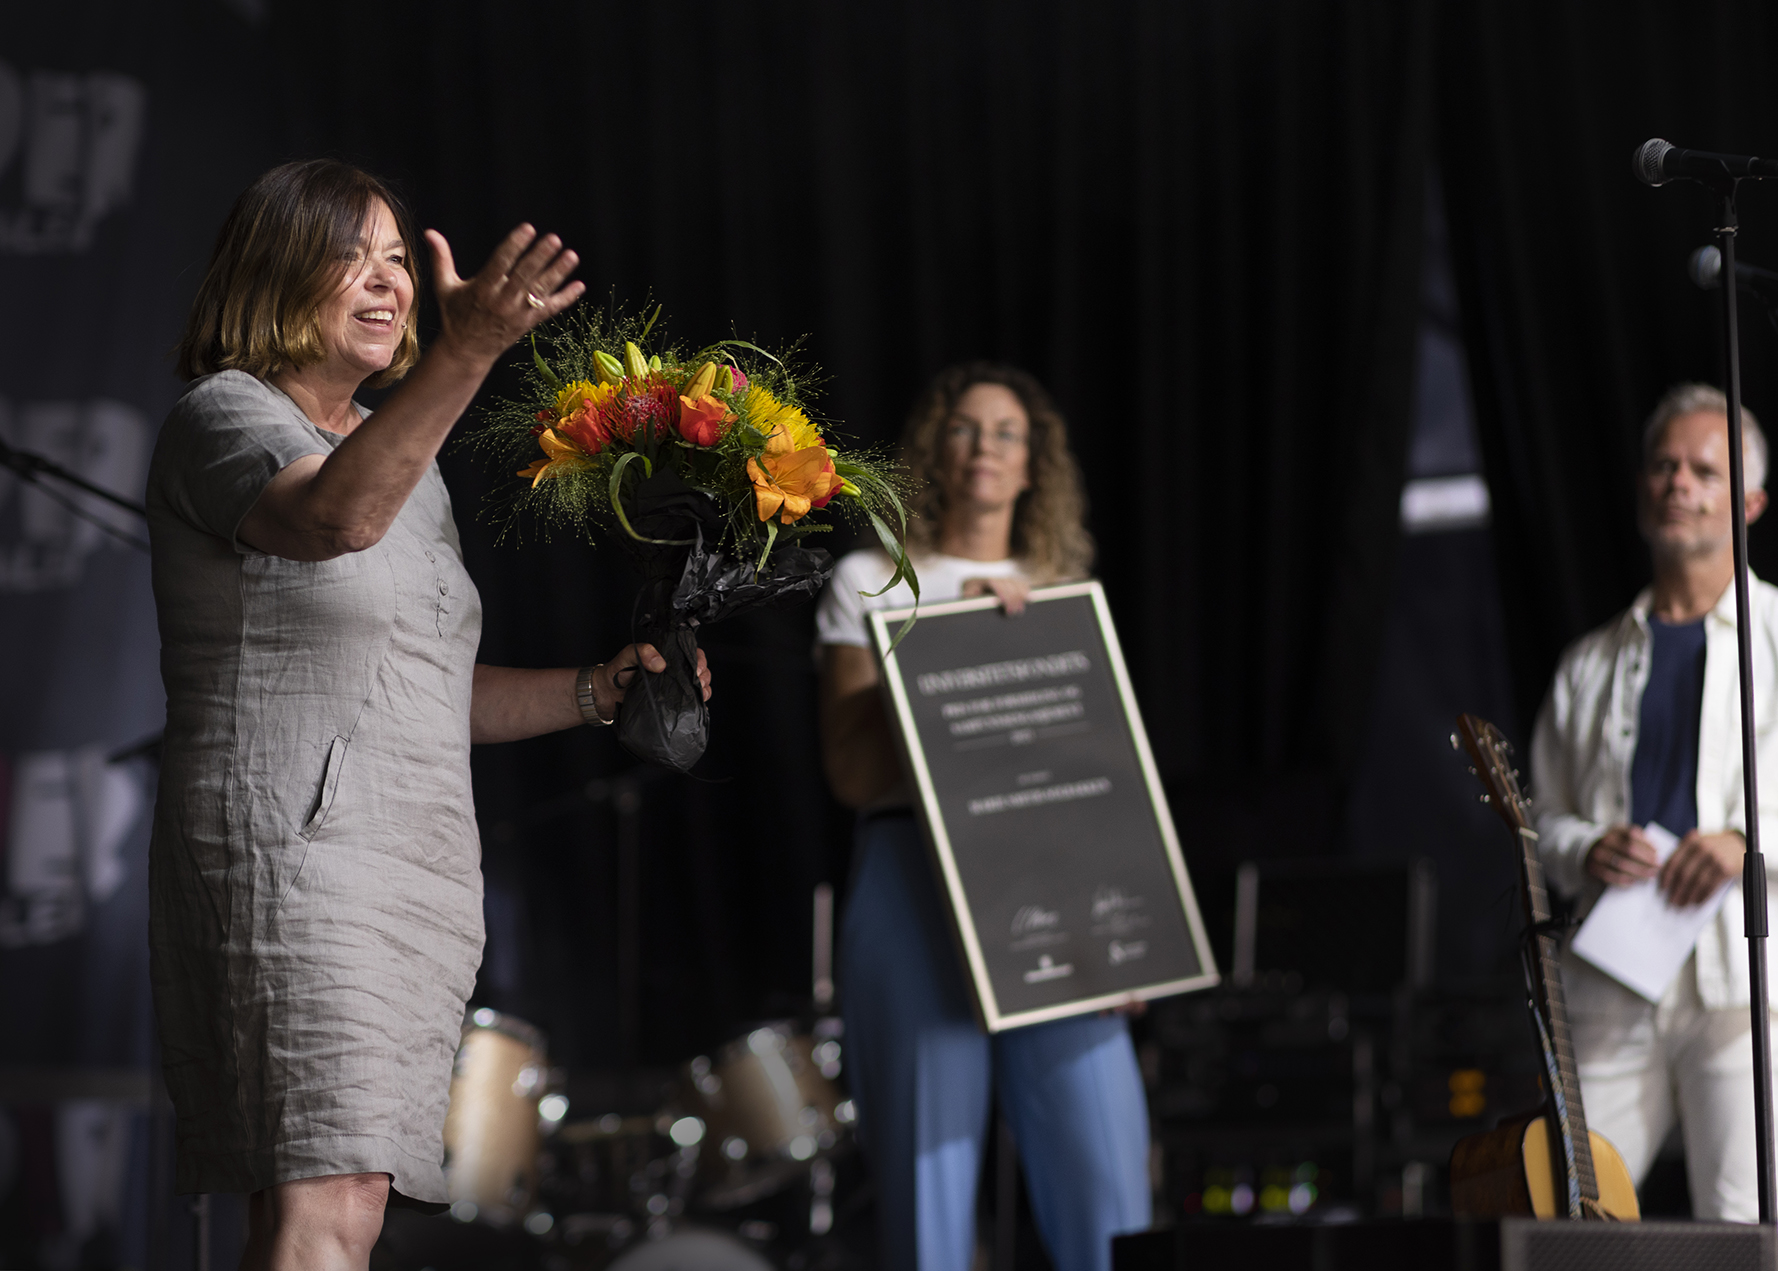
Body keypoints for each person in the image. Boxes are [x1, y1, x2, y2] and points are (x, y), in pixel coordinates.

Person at [147, 159, 710, 1269]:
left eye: (397, 259)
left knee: (320, 1196)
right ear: (270, 272)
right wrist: (471, 349)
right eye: (346, 255)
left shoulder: (404, 461)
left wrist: (602, 689)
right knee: (334, 1190)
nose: (384, 281)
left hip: (418, 864)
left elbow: (428, 690)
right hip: (297, 849)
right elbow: (332, 519)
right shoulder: (225, 416)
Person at [1529, 383, 1778, 1269]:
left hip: (1754, 982)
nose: (1679, 483)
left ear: (1752, 503)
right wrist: (1586, 846)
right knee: (1578, 1228)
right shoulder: (1590, 662)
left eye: (1704, 469)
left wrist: (1746, 840)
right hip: (1616, 976)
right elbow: (1541, 817)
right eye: (1663, 465)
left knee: (1742, 1226)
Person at [816, 363, 1149, 1271]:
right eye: (964, 428)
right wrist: (939, 653)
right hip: (909, 873)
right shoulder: (870, 578)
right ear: (935, 450)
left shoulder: (1063, 590)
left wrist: (1131, 938)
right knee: (928, 1202)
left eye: (1008, 433)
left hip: (1056, 881)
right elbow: (851, 773)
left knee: (1111, 1197)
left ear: (1035, 464)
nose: (985, 448)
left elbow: (1103, 789)